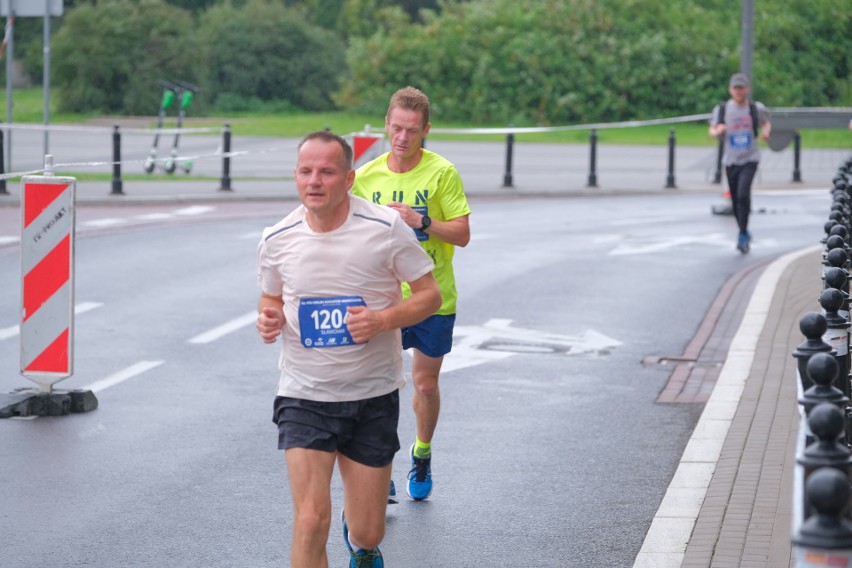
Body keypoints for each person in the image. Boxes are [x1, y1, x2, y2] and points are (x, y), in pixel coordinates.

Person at [256, 131, 441, 568]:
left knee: (369, 529)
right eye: (305, 171)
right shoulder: (277, 238)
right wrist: (269, 316)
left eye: (326, 171)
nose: (314, 181)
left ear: (350, 178)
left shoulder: (384, 229)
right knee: (309, 520)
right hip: (304, 395)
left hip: (371, 397)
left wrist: (381, 320)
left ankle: (360, 541)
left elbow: (428, 296)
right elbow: (270, 297)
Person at [352, 86, 471, 502]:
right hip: (383, 298)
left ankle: (422, 451)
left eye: (412, 131)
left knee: (423, 384)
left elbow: (463, 234)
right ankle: (379, 464)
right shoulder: (366, 177)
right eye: (396, 128)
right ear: (386, 125)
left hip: (432, 296)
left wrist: (421, 220)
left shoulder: (442, 173)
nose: (402, 138)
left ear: (426, 131)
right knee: (378, 385)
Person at [709, 72, 771, 254]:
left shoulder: (755, 108)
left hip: (750, 159)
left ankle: (742, 234)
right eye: (735, 88)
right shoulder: (722, 109)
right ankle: (743, 230)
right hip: (731, 160)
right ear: (730, 90)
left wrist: (766, 132)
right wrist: (717, 130)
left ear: (747, 89)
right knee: (736, 199)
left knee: (743, 194)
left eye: (741, 88)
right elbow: (712, 130)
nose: (738, 91)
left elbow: (766, 123)